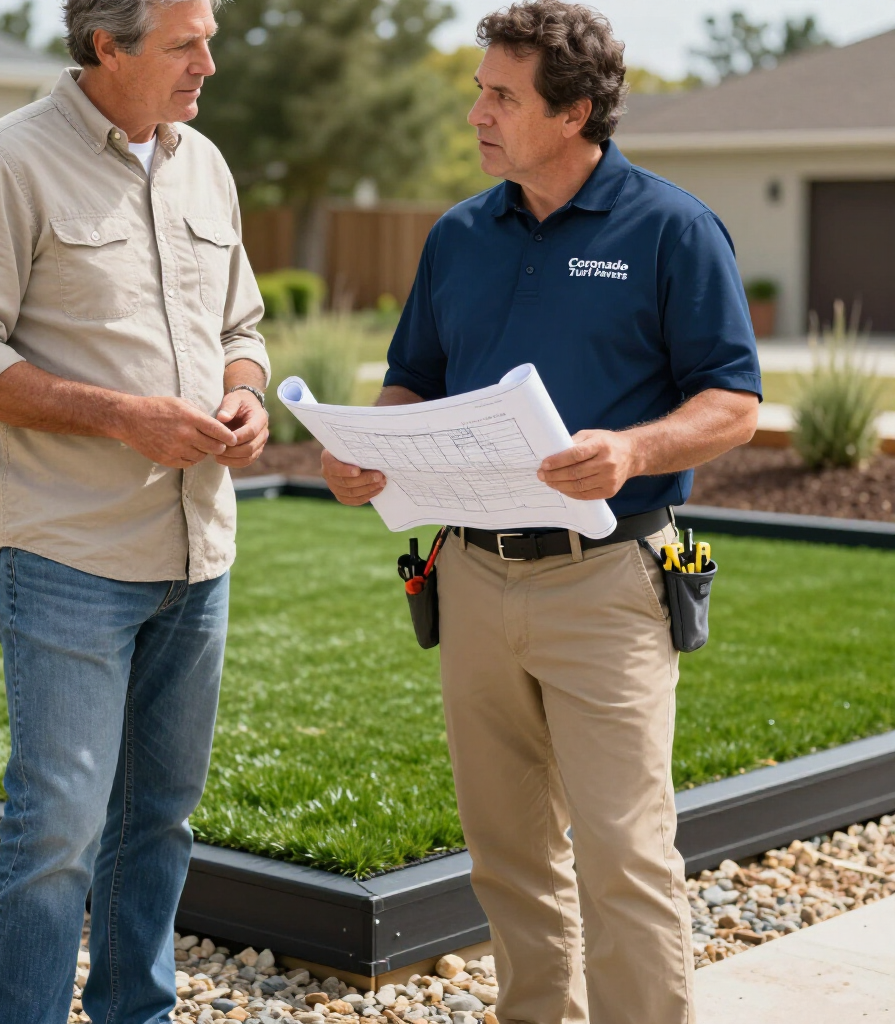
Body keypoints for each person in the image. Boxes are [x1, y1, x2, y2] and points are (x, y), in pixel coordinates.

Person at [322, 3, 761, 1023]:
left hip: (608, 582)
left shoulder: (672, 228)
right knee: (507, 850)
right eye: (479, 91)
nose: (477, 113)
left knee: (623, 851)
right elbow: (413, 378)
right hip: (473, 579)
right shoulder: (458, 235)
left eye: (501, 96)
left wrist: (633, 450)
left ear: (573, 113)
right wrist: (368, 448)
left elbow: (734, 402)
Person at [0, 0, 268, 1020]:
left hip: (198, 554)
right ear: (107, 46)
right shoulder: (4, 163)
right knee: (58, 830)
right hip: (66, 556)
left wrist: (245, 393)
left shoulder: (204, 164)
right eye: (185, 43)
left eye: (209, 36)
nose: (209, 63)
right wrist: (123, 417)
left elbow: (241, 326)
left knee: (159, 820)